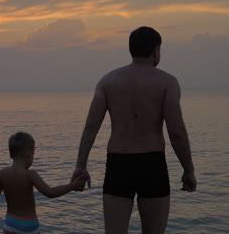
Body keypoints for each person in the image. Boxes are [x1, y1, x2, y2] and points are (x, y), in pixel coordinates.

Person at [71, 26, 197, 234]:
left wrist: (81, 165)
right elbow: (177, 132)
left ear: (131, 49)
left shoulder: (108, 81)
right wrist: (188, 170)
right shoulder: (167, 82)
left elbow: (91, 126)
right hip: (153, 164)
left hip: (118, 164)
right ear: (156, 50)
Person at [0, 132, 85, 234]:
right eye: (33, 155)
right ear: (28, 155)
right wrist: (72, 185)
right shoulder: (30, 175)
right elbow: (50, 192)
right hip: (29, 225)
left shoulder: (2, 174)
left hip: (10, 223)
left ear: (10, 153)